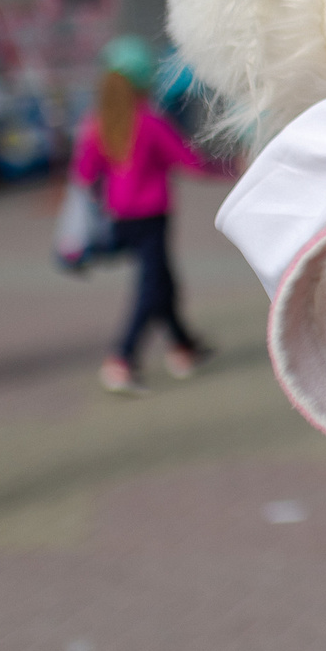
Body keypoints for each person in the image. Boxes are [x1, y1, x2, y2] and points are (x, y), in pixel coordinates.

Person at [71, 40, 220, 394]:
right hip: (152, 217)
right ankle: (121, 358)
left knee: (163, 281)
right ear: (143, 82)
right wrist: (232, 168)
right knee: (152, 287)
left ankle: (184, 347)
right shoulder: (150, 122)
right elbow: (192, 163)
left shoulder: (97, 125)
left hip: (120, 218)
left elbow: (85, 173)